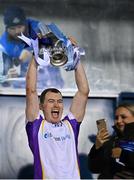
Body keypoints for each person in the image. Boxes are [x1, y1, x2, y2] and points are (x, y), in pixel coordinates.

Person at [25, 54, 89, 179]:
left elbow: (84, 91)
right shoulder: (36, 126)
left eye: (60, 101)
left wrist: (76, 58)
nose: (56, 105)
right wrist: (36, 57)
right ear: (41, 107)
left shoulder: (71, 125)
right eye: (51, 101)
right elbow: (31, 91)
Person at [0, 5, 64, 88]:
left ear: (25, 24)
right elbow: (4, 80)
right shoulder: (4, 44)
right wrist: (8, 77)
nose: (17, 31)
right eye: (12, 28)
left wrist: (33, 52)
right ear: (7, 28)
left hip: (51, 84)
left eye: (19, 27)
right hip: (23, 88)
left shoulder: (38, 28)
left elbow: (58, 48)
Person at [88, 102, 134, 179]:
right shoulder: (111, 141)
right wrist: (97, 147)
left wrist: (123, 155)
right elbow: (94, 168)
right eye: (116, 118)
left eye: (123, 117)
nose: (119, 121)